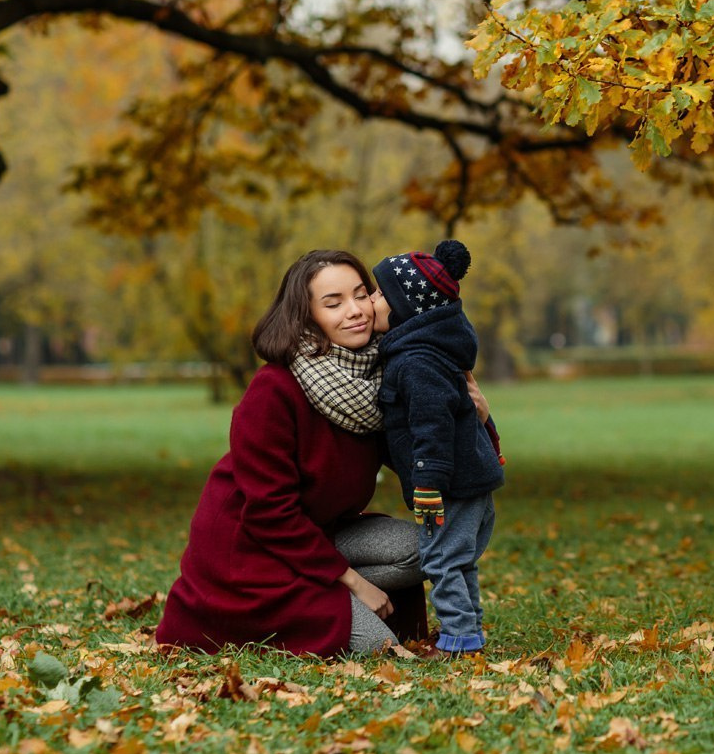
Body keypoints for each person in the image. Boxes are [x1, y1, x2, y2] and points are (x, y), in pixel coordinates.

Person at [156, 249, 486, 657]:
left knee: (433, 547)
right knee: (377, 646)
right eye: (333, 303)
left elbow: (424, 451)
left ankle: (325, 591)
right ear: (306, 315)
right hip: (249, 553)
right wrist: (351, 581)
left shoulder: (386, 377)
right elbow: (268, 513)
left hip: (321, 535)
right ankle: (326, 598)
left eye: (361, 294)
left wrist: (476, 417)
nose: (355, 311)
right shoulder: (274, 390)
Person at [370, 240, 505, 657]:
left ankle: (460, 640)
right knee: (460, 561)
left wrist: (427, 482)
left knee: (442, 561)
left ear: (402, 307)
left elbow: (433, 425)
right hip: (470, 481)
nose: (369, 302)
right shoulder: (433, 352)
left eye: (377, 294)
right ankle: (470, 631)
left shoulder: (416, 362)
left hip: (451, 487)